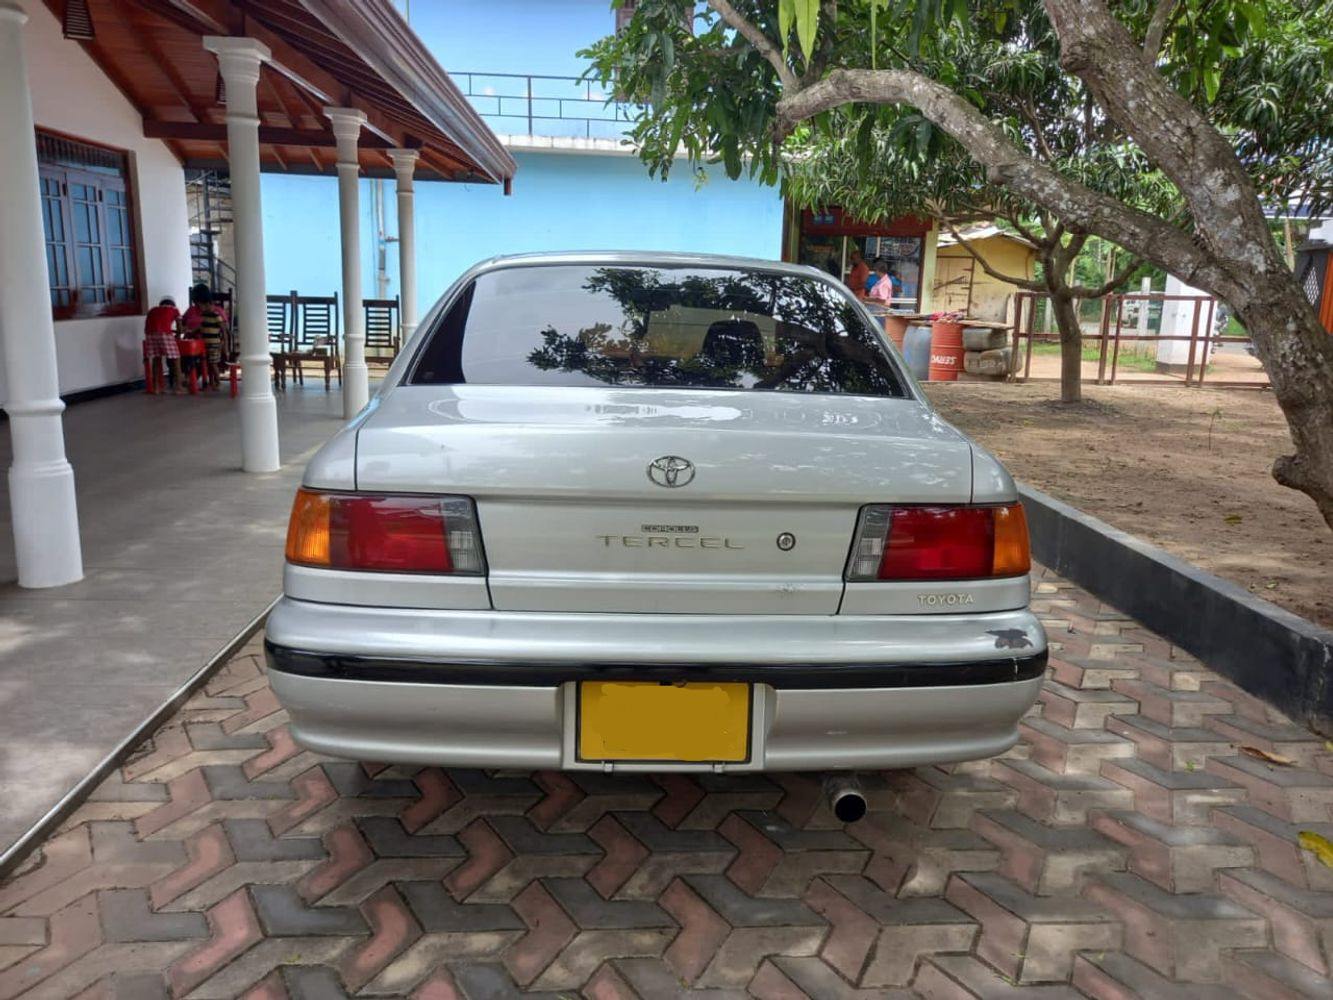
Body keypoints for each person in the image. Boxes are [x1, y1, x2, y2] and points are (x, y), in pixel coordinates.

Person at [183, 285, 231, 390]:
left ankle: (212, 381)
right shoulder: (192, 311)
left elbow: (225, 329)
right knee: (186, 354)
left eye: (199, 302)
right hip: (194, 343)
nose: (198, 305)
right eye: (196, 302)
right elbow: (185, 323)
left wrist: (225, 346)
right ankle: (190, 378)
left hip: (211, 342)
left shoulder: (217, 312)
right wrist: (188, 331)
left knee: (209, 360)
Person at [143, 296, 183, 394]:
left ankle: (156, 388)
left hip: (149, 334)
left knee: (156, 359)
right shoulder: (174, 310)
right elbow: (180, 328)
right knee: (176, 359)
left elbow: (154, 324)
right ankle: (179, 388)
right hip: (164, 333)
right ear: (172, 305)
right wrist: (178, 334)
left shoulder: (153, 310)